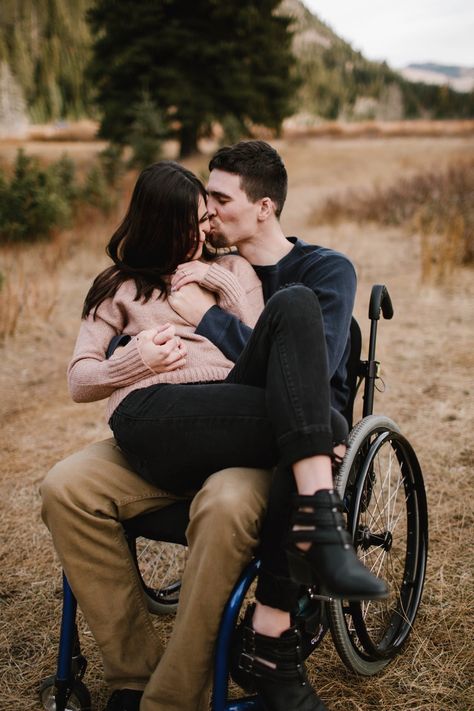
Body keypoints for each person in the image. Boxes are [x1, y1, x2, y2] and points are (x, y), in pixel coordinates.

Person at [41, 141, 384, 711]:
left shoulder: (283, 271)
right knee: (64, 487)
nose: (209, 217)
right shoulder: (121, 284)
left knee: (231, 496)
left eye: (218, 202)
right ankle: (133, 674)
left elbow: (295, 368)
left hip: (248, 430)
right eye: (200, 207)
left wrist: (206, 311)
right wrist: (137, 359)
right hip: (168, 422)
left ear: (264, 207)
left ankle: (176, 695)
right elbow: (83, 376)